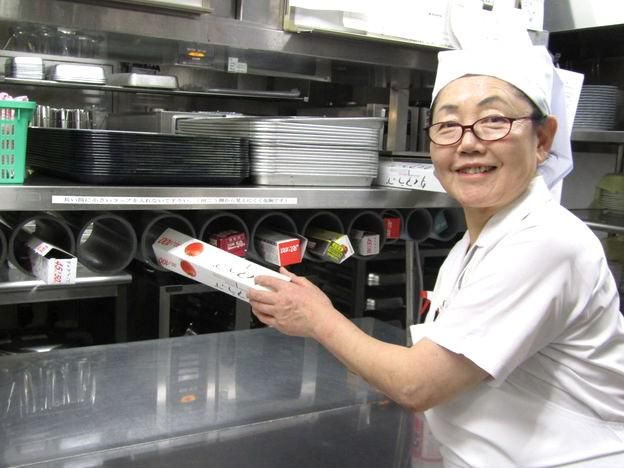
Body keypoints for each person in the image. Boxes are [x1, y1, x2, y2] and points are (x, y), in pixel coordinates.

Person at [247, 45, 624, 467]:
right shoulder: (472, 247)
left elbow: (417, 385)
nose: (468, 143)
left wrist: (316, 317)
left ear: (542, 139)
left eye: (494, 120)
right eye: (448, 125)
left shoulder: (545, 243)